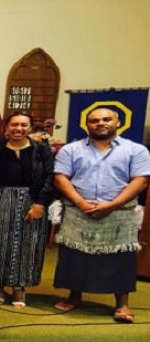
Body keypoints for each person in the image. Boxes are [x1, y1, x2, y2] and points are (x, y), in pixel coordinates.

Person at [53, 107, 150, 323]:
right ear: (86, 124)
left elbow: (140, 181)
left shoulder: (136, 150)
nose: (100, 123)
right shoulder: (70, 150)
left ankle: (122, 304)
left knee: (120, 258)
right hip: (79, 210)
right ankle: (74, 295)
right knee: (75, 256)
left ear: (118, 122)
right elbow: (60, 178)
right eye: (94, 120)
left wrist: (112, 205)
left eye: (106, 119)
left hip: (119, 213)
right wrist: (80, 202)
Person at [0, 112, 55, 307]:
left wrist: (41, 203)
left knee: (28, 244)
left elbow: (50, 176)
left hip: (32, 200)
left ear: (30, 128)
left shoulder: (41, 149)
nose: (19, 129)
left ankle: (19, 288)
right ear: (6, 127)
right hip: (1, 199)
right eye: (14, 124)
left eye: (24, 125)